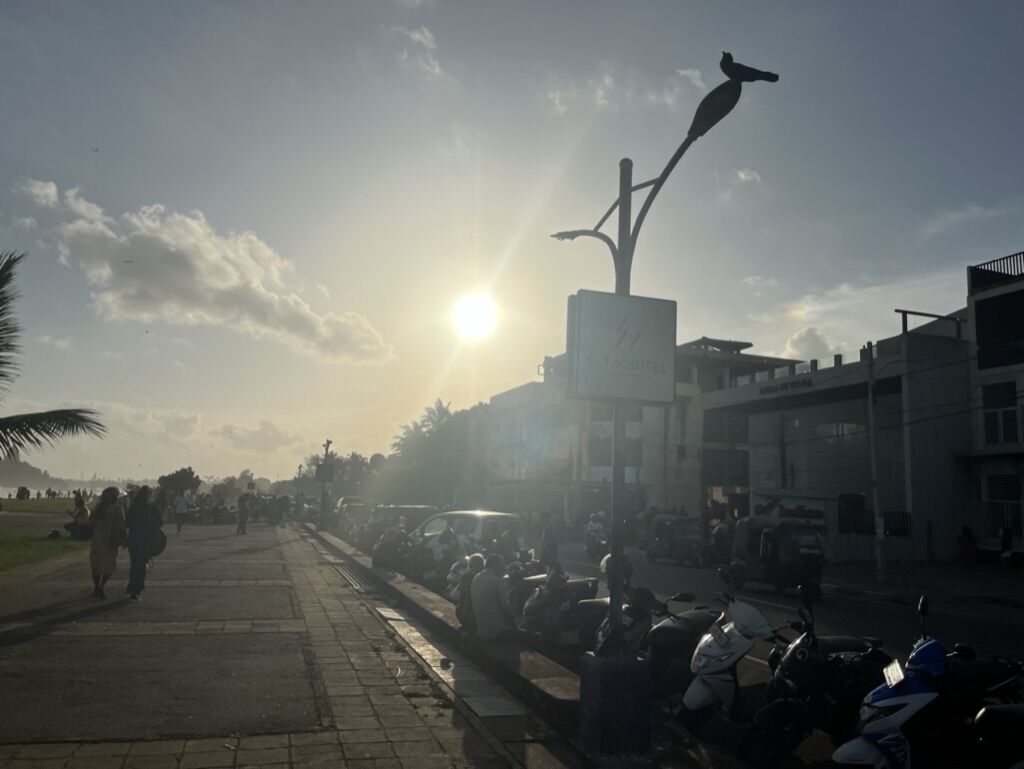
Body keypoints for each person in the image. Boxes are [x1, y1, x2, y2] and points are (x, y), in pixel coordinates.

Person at [470, 554, 543, 646]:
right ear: (495, 566)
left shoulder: (476, 578)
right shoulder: (497, 582)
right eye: (502, 565)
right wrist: (516, 629)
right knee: (538, 637)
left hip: (482, 632)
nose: (504, 568)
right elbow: (506, 610)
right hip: (497, 632)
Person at [125, 485, 161, 601]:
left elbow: (128, 522)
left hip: (134, 538)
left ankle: (133, 587)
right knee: (141, 565)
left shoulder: (134, 506)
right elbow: (159, 522)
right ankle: (136, 589)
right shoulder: (152, 507)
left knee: (134, 563)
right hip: (146, 538)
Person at [88, 487, 125, 599]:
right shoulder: (118, 508)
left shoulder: (98, 508)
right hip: (110, 540)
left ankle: (96, 587)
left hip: (97, 539)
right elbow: (122, 524)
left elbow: (90, 523)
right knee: (109, 566)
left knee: (96, 565)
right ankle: (101, 587)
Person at [455, 553, 485, 638]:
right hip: (472, 616)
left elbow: (461, 598)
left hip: (467, 615)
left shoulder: (465, 577)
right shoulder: (484, 577)